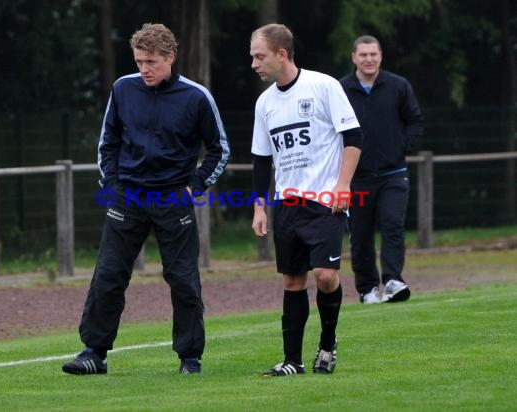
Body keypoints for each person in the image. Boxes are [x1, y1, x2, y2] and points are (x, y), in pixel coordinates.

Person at [62, 23, 230, 375]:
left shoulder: (197, 97)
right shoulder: (123, 89)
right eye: (139, 61)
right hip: (128, 197)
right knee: (108, 274)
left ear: (170, 57)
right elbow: (107, 142)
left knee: (183, 278)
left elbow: (219, 149)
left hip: (174, 200)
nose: (144, 69)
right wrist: (113, 184)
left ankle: (190, 358)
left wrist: (194, 187)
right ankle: (94, 352)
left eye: (151, 61)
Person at [249, 24, 362, 376]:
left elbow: (354, 137)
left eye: (259, 56)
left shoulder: (324, 86)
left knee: (326, 276)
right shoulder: (265, 103)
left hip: (325, 201)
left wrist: (343, 185)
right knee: (292, 281)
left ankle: (327, 345)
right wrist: (259, 206)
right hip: (286, 205)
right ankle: (292, 361)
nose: (253, 63)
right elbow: (261, 159)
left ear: (282, 54)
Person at [339, 35, 423, 304]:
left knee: (393, 226)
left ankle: (393, 281)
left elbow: (415, 122)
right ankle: (367, 290)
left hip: (393, 175)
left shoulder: (398, 86)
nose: (368, 59)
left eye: (373, 54)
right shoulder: (340, 90)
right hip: (357, 179)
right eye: (363, 54)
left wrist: (399, 147)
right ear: (353, 57)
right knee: (360, 236)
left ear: (380, 56)